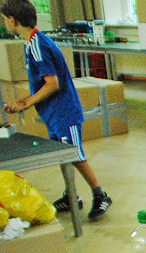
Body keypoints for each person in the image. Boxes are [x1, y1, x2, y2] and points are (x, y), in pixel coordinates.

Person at [1, 0, 112, 219]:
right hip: (53, 114)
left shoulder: (38, 45)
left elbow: (52, 84)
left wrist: (26, 103)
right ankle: (71, 195)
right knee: (62, 154)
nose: (5, 23)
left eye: (5, 19)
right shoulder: (31, 43)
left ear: (12, 20)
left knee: (75, 154)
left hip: (64, 112)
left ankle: (100, 194)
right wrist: (23, 102)